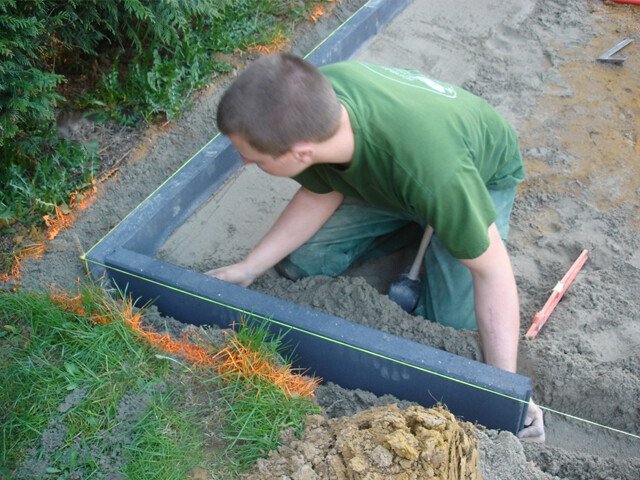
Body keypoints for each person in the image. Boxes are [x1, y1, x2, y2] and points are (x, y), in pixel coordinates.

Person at [206, 52, 545, 442]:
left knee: (452, 321)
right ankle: (422, 221)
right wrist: (247, 268)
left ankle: (442, 225)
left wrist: (504, 390)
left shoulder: (438, 175)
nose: (245, 163)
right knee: (304, 261)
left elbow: (492, 271)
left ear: (301, 152)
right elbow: (322, 190)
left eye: (255, 159)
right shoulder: (311, 106)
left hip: (477, 176)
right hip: (410, 176)